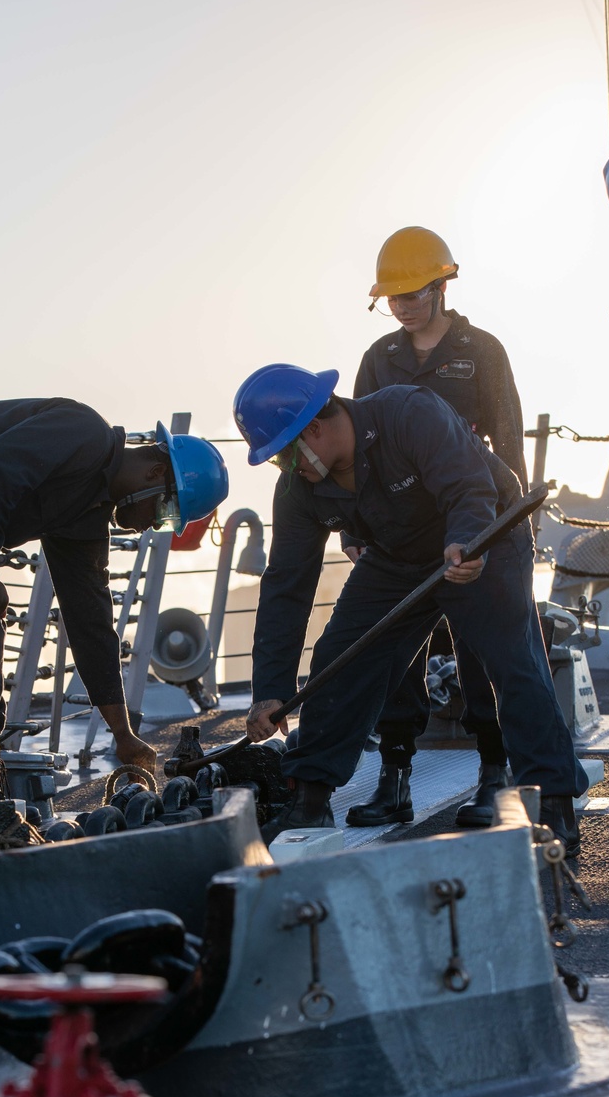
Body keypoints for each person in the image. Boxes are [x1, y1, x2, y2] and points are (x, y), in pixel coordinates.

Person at [235, 364, 587, 854]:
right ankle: (309, 802)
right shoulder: (299, 489)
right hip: (397, 558)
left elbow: (469, 488)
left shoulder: (409, 413)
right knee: (341, 658)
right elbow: (286, 588)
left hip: (484, 536)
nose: (285, 469)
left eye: (285, 456)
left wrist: (467, 542)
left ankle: (553, 805)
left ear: (312, 427)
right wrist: (270, 693)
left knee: (514, 661)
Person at [0, 402, 229, 833]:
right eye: (166, 512)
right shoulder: (84, 433)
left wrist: (123, 733)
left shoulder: (85, 512)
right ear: (155, 473)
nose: (151, 526)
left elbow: (89, 620)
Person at [347, 227, 528, 831]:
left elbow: (507, 438)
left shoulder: (482, 351)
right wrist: (354, 524)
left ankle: (493, 775)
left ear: (442, 285)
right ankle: (394, 776)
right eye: (392, 297)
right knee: (394, 646)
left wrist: (511, 522)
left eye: (412, 294)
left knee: (482, 646)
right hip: (400, 526)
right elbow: (354, 446)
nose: (401, 306)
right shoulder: (378, 360)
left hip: (469, 513)